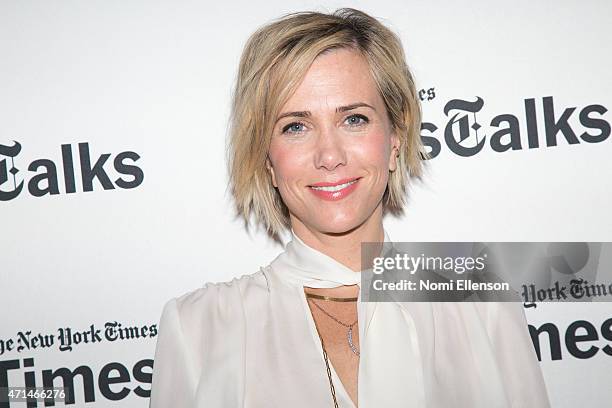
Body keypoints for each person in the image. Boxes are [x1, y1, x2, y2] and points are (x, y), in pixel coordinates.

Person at [149, 8, 550, 408]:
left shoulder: (479, 299)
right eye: (296, 126)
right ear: (267, 159)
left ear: (395, 139)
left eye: (354, 119)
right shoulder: (199, 329)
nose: (329, 155)